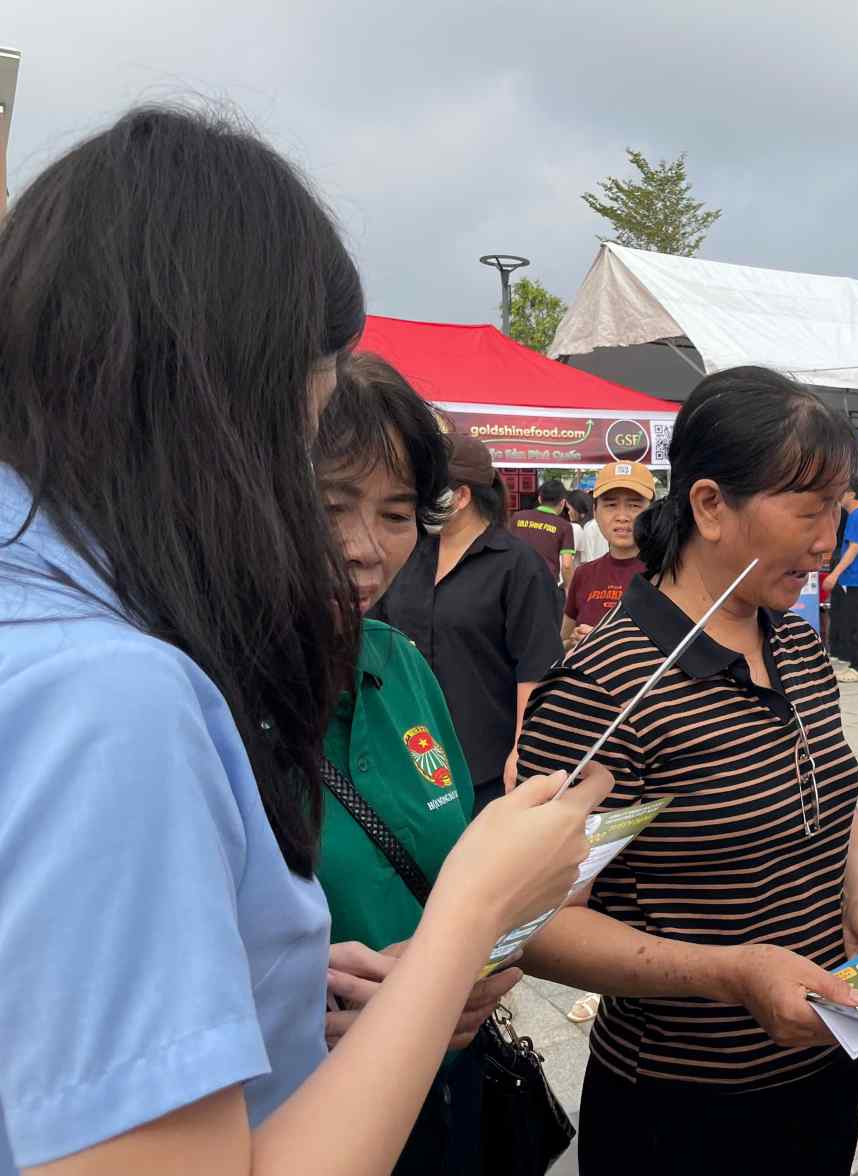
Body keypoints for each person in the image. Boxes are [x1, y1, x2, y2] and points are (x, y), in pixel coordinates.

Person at [0, 105, 607, 1176]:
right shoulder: (113, 696)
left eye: (396, 513)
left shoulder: (56, 619)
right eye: (304, 441)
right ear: (217, 407)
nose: (356, 546)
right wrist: (472, 908)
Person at [517, 366, 858, 1176]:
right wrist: (731, 974)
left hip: (827, 1066)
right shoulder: (611, 687)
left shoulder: (796, 649)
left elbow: (826, 800)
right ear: (708, 505)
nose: (826, 541)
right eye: (807, 511)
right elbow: (538, 926)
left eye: (836, 510)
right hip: (681, 1106)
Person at [313, 355, 531, 1171]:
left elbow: (459, 875)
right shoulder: (199, 699)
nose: (364, 549)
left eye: (397, 514)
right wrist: (299, 1006)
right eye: (331, 503)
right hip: (311, 1115)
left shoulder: (401, 665)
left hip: (451, 1091)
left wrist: (491, 950)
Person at [374, 436, 563, 811]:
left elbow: (535, 669)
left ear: (461, 496)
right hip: (406, 757)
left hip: (484, 766)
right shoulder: (408, 554)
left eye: (428, 490)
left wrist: (521, 752)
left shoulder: (517, 565)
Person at [562, 460, 654, 648]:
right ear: (595, 512)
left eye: (634, 506)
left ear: (651, 511)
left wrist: (604, 641)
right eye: (611, 505)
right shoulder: (583, 574)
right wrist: (573, 642)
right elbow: (562, 641)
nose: (622, 516)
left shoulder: (668, 575)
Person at [826, 480, 858, 682]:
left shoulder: (856, 517)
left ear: (851, 493)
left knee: (857, 624)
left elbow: (853, 549)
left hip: (857, 579)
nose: (838, 496)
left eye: (841, 492)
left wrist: (834, 574)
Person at [510, 476, 576, 583]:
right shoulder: (564, 526)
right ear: (562, 502)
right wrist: (569, 590)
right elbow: (567, 565)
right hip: (546, 585)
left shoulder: (517, 517)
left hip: (516, 582)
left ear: (540, 498)